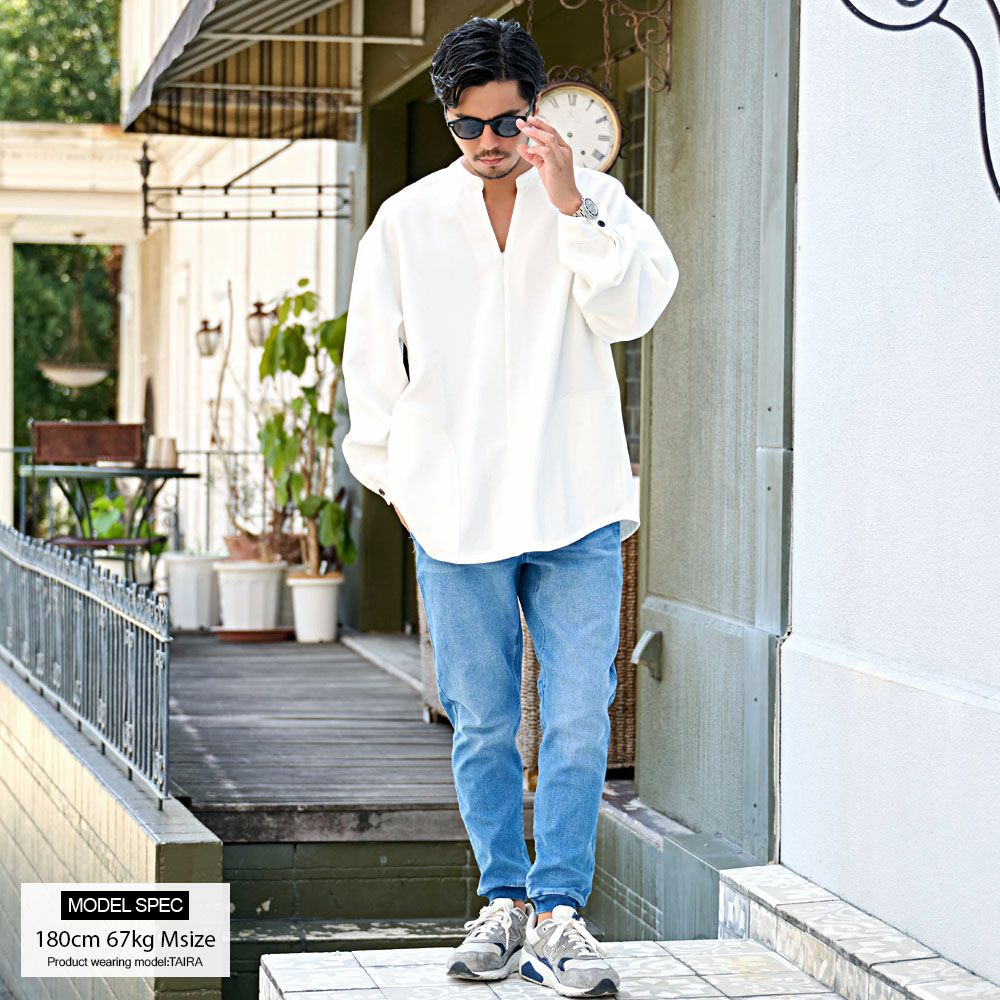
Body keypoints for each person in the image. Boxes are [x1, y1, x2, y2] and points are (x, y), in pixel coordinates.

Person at [341, 15, 679, 998]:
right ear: (448, 119)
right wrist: (400, 484)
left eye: (506, 121)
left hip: (574, 501)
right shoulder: (407, 220)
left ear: (537, 110)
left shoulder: (595, 200)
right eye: (467, 126)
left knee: (577, 717)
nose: (489, 143)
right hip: (455, 514)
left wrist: (570, 204)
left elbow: (631, 312)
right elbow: (370, 365)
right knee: (483, 724)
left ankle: (559, 913)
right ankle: (501, 902)